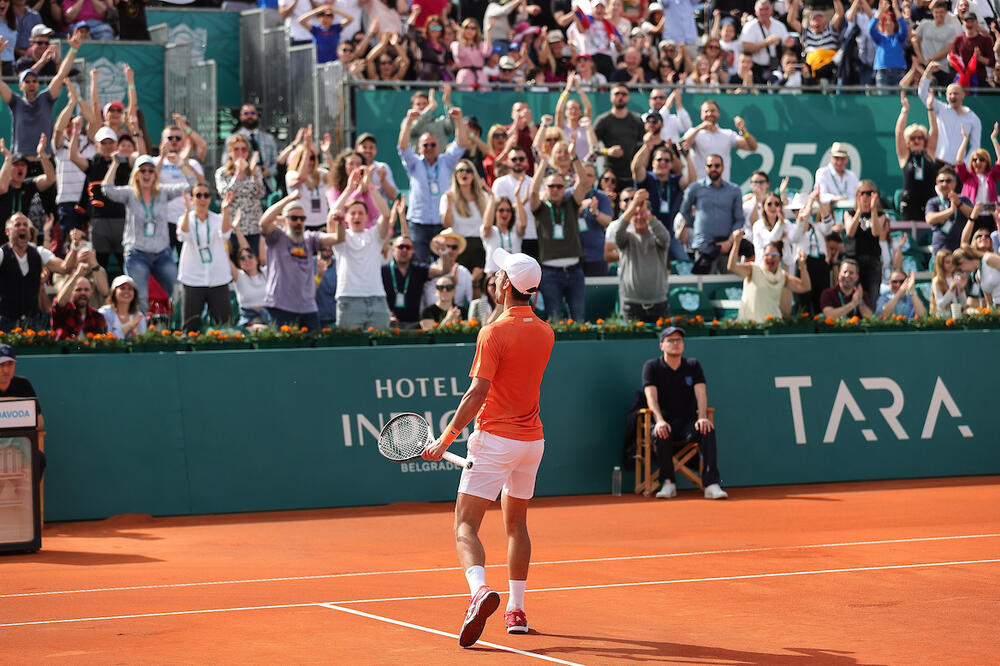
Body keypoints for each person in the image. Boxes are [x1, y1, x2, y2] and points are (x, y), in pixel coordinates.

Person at [421, 246, 554, 646]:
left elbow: (477, 392)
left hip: (495, 439)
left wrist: (445, 438)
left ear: (507, 286)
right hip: (532, 442)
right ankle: (516, 609)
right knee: (516, 525)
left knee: (464, 525)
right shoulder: (546, 332)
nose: (493, 279)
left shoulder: (492, 333)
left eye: (499, 276)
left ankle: (478, 590)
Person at [103, 153, 198, 311]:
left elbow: (192, 183)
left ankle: (178, 330)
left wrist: (180, 163)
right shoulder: (129, 193)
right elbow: (107, 189)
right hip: (137, 254)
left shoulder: (163, 192)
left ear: (155, 174)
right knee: (141, 298)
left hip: (162, 253)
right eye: (143, 171)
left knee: (178, 292)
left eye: (150, 171)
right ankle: (142, 333)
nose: (147, 174)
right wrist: (114, 164)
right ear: (136, 174)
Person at [642, 326, 727, 501]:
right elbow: (651, 397)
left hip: (688, 423)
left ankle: (711, 484)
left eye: (679, 340)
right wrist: (659, 420)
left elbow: (701, 393)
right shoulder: (651, 366)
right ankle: (667, 483)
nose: (676, 343)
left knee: (707, 429)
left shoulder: (693, 365)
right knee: (662, 431)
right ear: (661, 345)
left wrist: (702, 417)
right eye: (670, 340)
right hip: (665, 422)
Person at [398, 105, 468, 263]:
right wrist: (408, 123)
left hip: (441, 222)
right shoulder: (414, 163)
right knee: (419, 264)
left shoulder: (446, 161)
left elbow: (462, 144)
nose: (429, 148)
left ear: (439, 146)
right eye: (425, 145)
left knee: (444, 264)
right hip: (419, 222)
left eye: (433, 145)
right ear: (420, 148)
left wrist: (458, 121)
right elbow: (403, 148)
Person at [261, 191, 339, 330]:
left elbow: (338, 238)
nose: (299, 222)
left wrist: (339, 221)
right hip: (280, 306)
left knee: (312, 350)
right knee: (283, 350)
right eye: (294, 218)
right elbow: (264, 222)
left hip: (307, 307)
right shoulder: (277, 237)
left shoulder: (310, 239)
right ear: (284, 220)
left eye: (302, 219)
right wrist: (288, 199)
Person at [328, 168, 393, 330]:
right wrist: (349, 189)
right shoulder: (341, 237)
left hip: (377, 299)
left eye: (361, 213)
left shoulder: (374, 235)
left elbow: (386, 215)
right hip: (349, 300)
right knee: (349, 350)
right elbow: (332, 215)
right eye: (353, 213)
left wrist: (370, 187)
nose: (357, 216)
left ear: (366, 217)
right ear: (347, 217)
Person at [529, 151, 588, 321]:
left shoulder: (571, 203)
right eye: (551, 186)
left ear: (565, 189)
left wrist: (574, 157)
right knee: (554, 320)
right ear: (545, 188)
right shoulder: (540, 208)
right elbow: (533, 193)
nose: (555, 190)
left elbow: (583, 183)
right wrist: (542, 165)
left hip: (575, 271)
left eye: (559, 186)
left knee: (579, 319)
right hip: (549, 273)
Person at [0, 33, 80, 158]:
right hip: (21, 162)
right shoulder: (16, 102)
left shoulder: (46, 99)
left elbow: (61, 75)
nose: (31, 84)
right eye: (27, 81)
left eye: (34, 81)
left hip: (44, 162)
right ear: (20, 86)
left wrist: (73, 49)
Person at [0, 212, 74, 331]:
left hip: (33, 324)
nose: (22, 227)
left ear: (29, 232)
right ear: (7, 231)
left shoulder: (39, 253)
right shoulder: (2, 253)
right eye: (17, 225)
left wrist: (74, 247)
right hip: (5, 323)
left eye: (25, 225)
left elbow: (65, 268)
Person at [177, 186, 234, 332]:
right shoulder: (185, 218)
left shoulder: (219, 218)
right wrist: (186, 210)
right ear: (192, 199)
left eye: (206, 195)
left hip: (218, 278)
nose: (202, 199)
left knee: (224, 326)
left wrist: (226, 211)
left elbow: (226, 235)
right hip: (193, 279)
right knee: (190, 327)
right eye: (198, 195)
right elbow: (182, 235)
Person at [679, 154, 747, 274]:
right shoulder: (695, 188)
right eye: (710, 166)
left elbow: (739, 219)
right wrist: (694, 225)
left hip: (727, 246)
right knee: (703, 284)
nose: (713, 168)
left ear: (723, 167)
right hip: (704, 246)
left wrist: (729, 242)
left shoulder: (734, 190)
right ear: (705, 167)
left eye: (717, 165)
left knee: (729, 285)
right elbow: (684, 210)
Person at [614, 189, 671, 321]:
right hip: (631, 304)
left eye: (643, 214)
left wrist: (647, 213)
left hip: (659, 303)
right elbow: (618, 232)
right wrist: (633, 206)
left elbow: (664, 237)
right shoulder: (626, 239)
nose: (639, 217)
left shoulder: (657, 239)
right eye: (636, 214)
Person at [728, 232, 812, 321]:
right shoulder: (752, 269)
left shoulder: (782, 276)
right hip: (750, 328)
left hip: (772, 325)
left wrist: (802, 266)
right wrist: (736, 244)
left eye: (774, 255)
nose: (770, 257)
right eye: (767, 254)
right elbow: (732, 267)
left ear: (780, 258)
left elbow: (805, 286)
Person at [917, 62, 981, 165]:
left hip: (959, 167)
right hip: (938, 163)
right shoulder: (940, 108)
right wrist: (927, 72)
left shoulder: (973, 118)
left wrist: (964, 164)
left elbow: (975, 146)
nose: (952, 96)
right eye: (950, 94)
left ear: (963, 95)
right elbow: (922, 93)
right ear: (946, 96)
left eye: (955, 93)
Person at [216, 133, 266, 260]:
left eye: (243, 149)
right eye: (236, 149)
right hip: (232, 229)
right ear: (230, 152)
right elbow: (226, 194)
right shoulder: (222, 173)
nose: (240, 153)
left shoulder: (255, 171)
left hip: (253, 228)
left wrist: (253, 174)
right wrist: (238, 173)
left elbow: (260, 193)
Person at [681, 99, 758, 182]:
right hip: (700, 185)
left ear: (718, 113)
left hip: (722, 186)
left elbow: (752, 147)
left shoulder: (727, 134)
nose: (709, 114)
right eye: (706, 111)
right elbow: (682, 146)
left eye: (713, 111)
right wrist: (699, 128)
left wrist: (743, 131)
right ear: (701, 114)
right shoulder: (694, 132)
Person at [895, 91, 940, 222]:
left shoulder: (929, 153)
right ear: (908, 141)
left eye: (920, 137)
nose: (916, 140)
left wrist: (930, 108)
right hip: (909, 202)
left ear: (925, 140)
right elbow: (899, 133)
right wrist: (905, 110)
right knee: (910, 233)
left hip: (929, 200)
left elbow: (935, 131)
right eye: (913, 138)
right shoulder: (905, 155)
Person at [843, 179, 886, 306]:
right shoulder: (849, 213)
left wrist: (872, 209)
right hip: (853, 260)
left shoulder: (880, 214)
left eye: (869, 193)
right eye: (862, 193)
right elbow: (850, 232)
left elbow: (876, 232)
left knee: (871, 298)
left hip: (872, 261)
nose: (866, 197)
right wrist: (859, 211)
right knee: (851, 297)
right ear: (858, 195)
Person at [592, 84, 643, 187]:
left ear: (628, 97)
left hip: (632, 175)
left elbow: (644, 146)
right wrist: (608, 151)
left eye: (624, 94)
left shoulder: (637, 120)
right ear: (611, 97)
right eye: (617, 94)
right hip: (610, 178)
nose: (620, 97)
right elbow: (592, 150)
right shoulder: (602, 121)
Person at [954, 123, 1000, 234]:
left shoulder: (991, 177)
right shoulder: (967, 176)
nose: (978, 162)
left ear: (987, 162)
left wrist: (994, 139)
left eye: (981, 159)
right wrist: (965, 139)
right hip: (972, 216)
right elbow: (959, 161)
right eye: (975, 159)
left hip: (990, 217)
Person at [383, 234, 434, 328]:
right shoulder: (383, 271)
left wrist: (444, 251)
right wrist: (386, 317)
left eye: (408, 247)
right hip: (389, 323)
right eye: (401, 247)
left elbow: (444, 270)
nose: (404, 250)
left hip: (414, 325)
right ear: (393, 250)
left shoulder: (419, 269)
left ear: (412, 251)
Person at [49, 265, 106, 340]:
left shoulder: (97, 316)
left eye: (86, 290)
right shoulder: (64, 310)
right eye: (78, 290)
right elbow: (60, 302)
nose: (83, 293)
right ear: (71, 292)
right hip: (64, 351)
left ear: (91, 292)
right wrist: (77, 274)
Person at [740, 0, 792, 82]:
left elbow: (787, 47)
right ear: (756, 11)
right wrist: (766, 43)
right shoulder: (749, 26)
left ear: (771, 10)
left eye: (767, 9)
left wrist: (786, 44)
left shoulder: (779, 26)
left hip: (775, 66)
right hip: (756, 69)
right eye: (761, 9)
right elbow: (745, 47)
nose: (764, 12)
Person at [925, 165, 972, 256]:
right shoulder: (933, 202)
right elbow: (930, 219)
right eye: (941, 181)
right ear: (937, 182)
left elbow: (972, 215)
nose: (944, 184)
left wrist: (958, 203)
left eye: (948, 181)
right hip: (940, 248)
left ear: (954, 183)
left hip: (960, 248)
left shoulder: (963, 199)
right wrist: (950, 211)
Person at [233, 104, 279, 195]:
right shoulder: (233, 139)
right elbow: (226, 162)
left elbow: (276, 162)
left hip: (267, 185)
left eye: (253, 113)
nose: (250, 116)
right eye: (246, 113)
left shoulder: (269, 138)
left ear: (257, 116)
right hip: (243, 185)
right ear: (241, 117)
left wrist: (268, 172)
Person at [868, 0, 908, 88]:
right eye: (885, 20)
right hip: (883, 73)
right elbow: (871, 29)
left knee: (898, 101)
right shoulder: (879, 37)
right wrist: (880, 11)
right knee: (883, 101)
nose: (888, 22)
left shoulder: (899, 37)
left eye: (891, 20)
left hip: (899, 72)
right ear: (882, 23)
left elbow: (904, 28)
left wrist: (896, 9)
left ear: (895, 23)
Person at [99, 274, 146, 338]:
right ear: (114, 292)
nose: (126, 292)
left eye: (130, 289)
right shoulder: (104, 313)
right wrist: (129, 326)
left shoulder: (140, 316)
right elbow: (107, 340)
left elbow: (142, 342)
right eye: (122, 288)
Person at [928, 248, 963, 316]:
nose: (951, 264)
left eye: (953, 262)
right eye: (947, 262)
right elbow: (940, 305)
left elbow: (963, 304)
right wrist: (951, 289)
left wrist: (962, 289)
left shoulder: (956, 278)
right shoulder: (937, 280)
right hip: (942, 319)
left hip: (956, 317)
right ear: (941, 264)